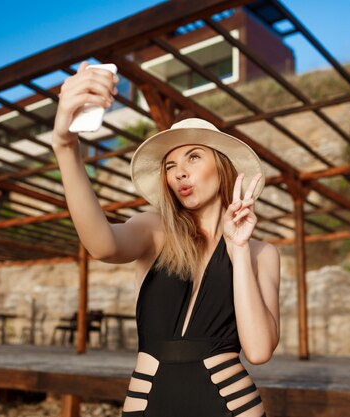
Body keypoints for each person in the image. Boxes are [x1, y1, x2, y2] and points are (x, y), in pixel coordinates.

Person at [52, 62, 280, 417]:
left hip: (233, 408)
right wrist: (65, 145)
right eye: (170, 166)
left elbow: (259, 350)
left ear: (222, 168)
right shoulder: (155, 230)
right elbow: (102, 245)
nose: (179, 172)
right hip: (148, 405)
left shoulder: (261, 253)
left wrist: (237, 249)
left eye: (193, 156)